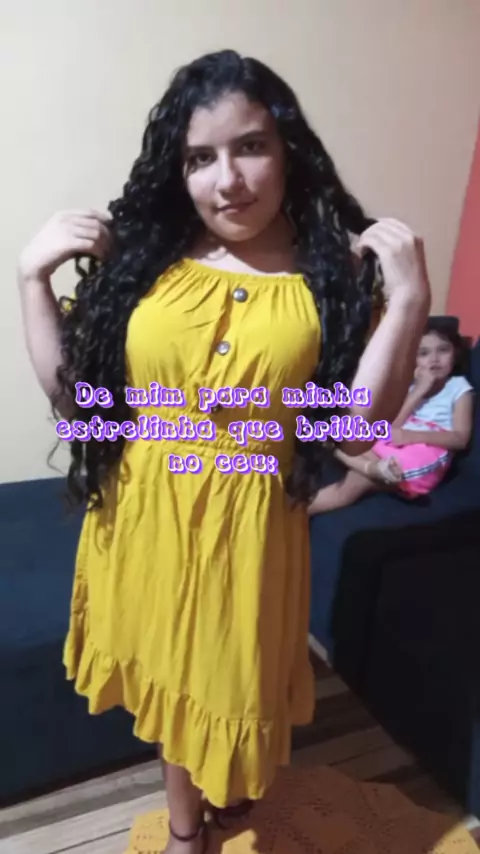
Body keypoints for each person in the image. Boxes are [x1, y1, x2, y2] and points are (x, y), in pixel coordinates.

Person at [18, 50, 430, 853]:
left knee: (230, 685)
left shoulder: (333, 275)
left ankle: (229, 801)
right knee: (172, 684)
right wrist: (31, 280)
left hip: (250, 526)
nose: (228, 180)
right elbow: (78, 405)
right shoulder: (148, 260)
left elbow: (353, 430)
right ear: (178, 170)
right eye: (200, 158)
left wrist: (411, 297)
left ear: (288, 151)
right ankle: (185, 833)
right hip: (144, 510)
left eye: (250, 147)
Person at [308, 319, 474, 513]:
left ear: (455, 353)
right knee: (342, 436)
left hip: (425, 452)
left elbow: (460, 439)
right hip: (395, 442)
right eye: (424, 353)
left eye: (443, 350)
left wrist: (411, 436)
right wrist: (418, 391)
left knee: (355, 481)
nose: (434, 359)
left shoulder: (458, 388)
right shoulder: (412, 387)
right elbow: (393, 424)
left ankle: (298, 513)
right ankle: (375, 468)